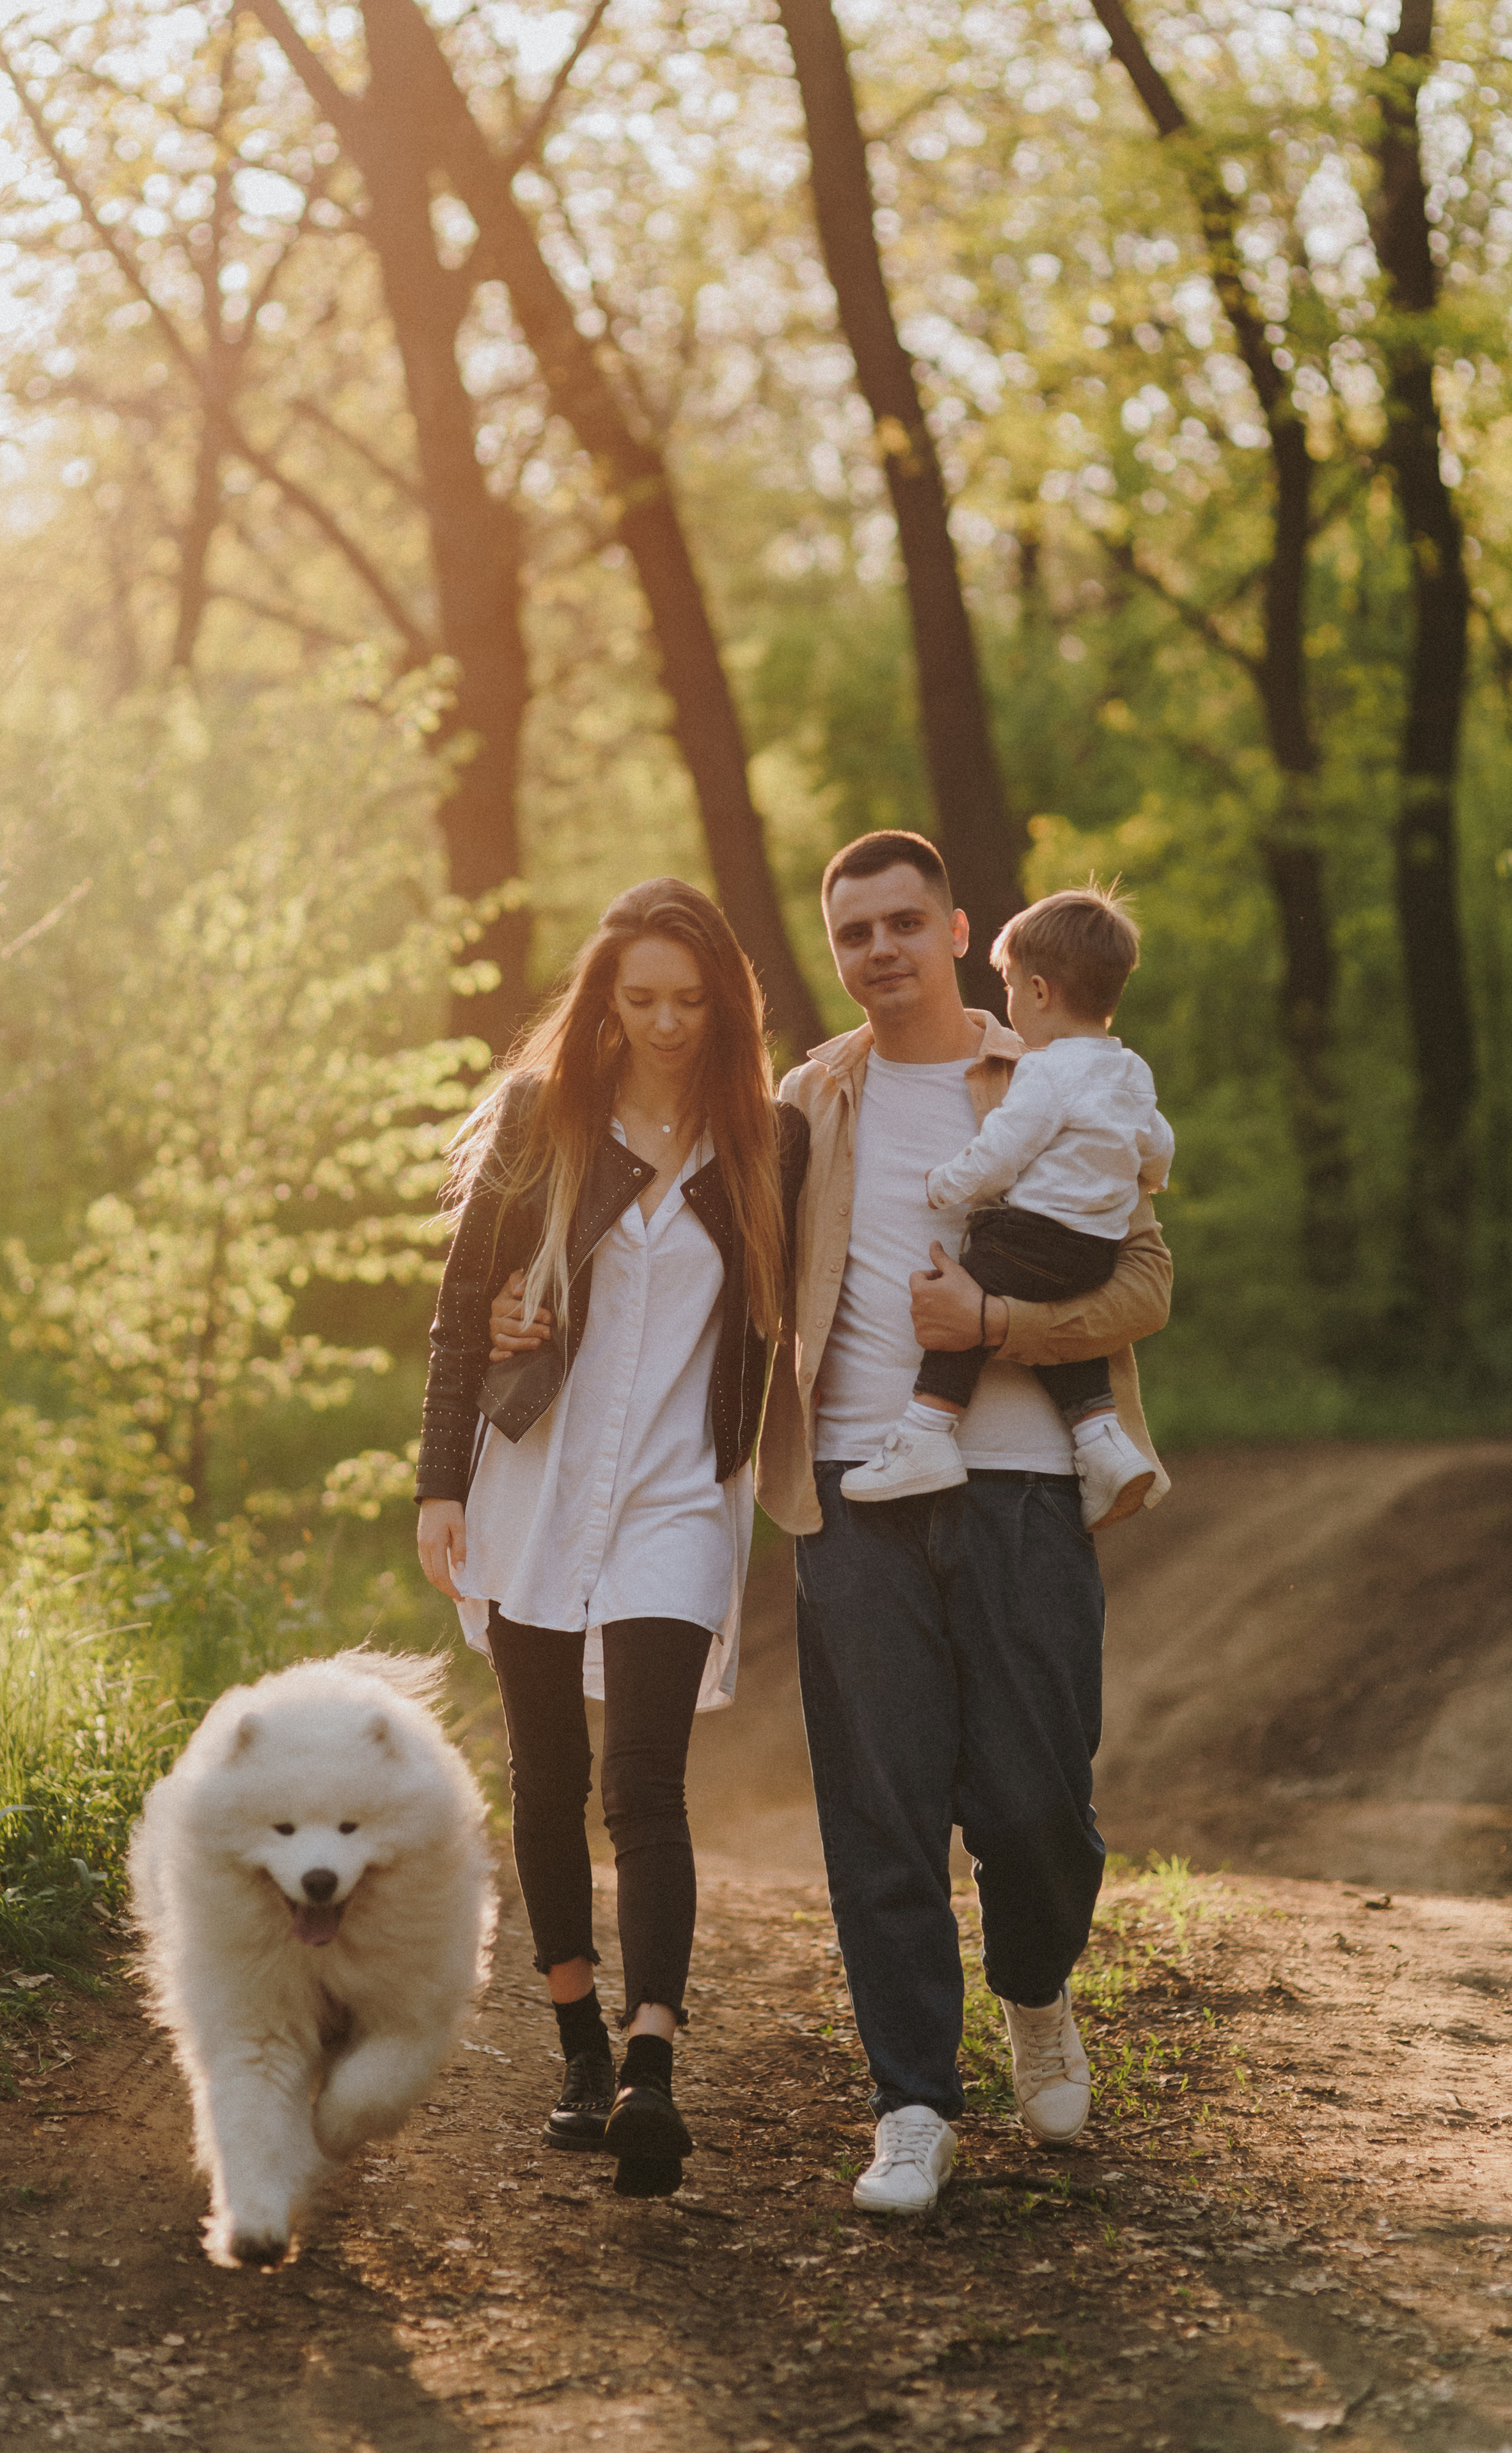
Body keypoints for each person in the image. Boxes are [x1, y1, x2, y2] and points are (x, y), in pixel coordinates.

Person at [755, 831, 1172, 2216]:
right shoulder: (808, 1100)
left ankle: (1034, 1990)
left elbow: (1143, 1287)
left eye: (900, 922)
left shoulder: (1048, 1074)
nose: (876, 948)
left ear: (954, 931)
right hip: (855, 1497)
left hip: (1020, 1488)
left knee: (1037, 1804)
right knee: (878, 1815)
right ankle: (912, 2104)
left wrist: (994, 1323)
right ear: (837, 952)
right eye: (851, 930)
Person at [414, 878, 808, 2200]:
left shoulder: (767, 1139)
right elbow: (463, 1313)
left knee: (644, 1782)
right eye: (639, 999)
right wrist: (439, 1485)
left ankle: (650, 2064)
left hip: (680, 1496)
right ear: (605, 999)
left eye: (690, 1002)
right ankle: (577, 2043)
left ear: (726, 1004)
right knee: (544, 1778)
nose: (664, 1023)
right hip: (534, 1482)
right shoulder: (546, 1121)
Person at [840, 884, 1172, 1530]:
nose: (1009, 1001)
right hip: (1093, 1250)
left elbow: (1002, 1151)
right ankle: (1102, 1442)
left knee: (956, 1293)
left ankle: (927, 1428)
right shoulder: (1130, 1071)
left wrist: (945, 1182)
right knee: (1046, 1317)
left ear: (1042, 993)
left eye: (1012, 987)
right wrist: (1149, 1178)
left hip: (1034, 1233)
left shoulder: (1044, 1071)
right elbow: (1157, 1141)